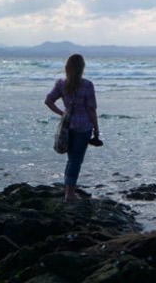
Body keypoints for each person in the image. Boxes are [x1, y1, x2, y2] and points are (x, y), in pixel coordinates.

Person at [45, 54, 99, 202]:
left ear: (67, 67)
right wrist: (96, 129)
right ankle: (69, 194)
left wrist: (62, 113)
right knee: (76, 160)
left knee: (71, 160)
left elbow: (48, 101)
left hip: (68, 126)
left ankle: (69, 190)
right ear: (82, 68)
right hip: (84, 127)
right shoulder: (87, 85)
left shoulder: (61, 83)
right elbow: (91, 109)